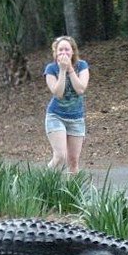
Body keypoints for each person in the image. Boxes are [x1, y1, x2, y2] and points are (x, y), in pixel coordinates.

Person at [43, 36, 90, 174]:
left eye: (67, 49)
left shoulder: (82, 66)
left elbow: (81, 89)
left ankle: (72, 193)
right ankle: (42, 181)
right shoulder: (51, 69)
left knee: (73, 161)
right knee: (60, 156)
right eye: (60, 50)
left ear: (73, 52)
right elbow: (58, 93)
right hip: (56, 116)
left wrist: (70, 69)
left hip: (76, 118)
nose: (64, 52)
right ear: (56, 53)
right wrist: (62, 71)